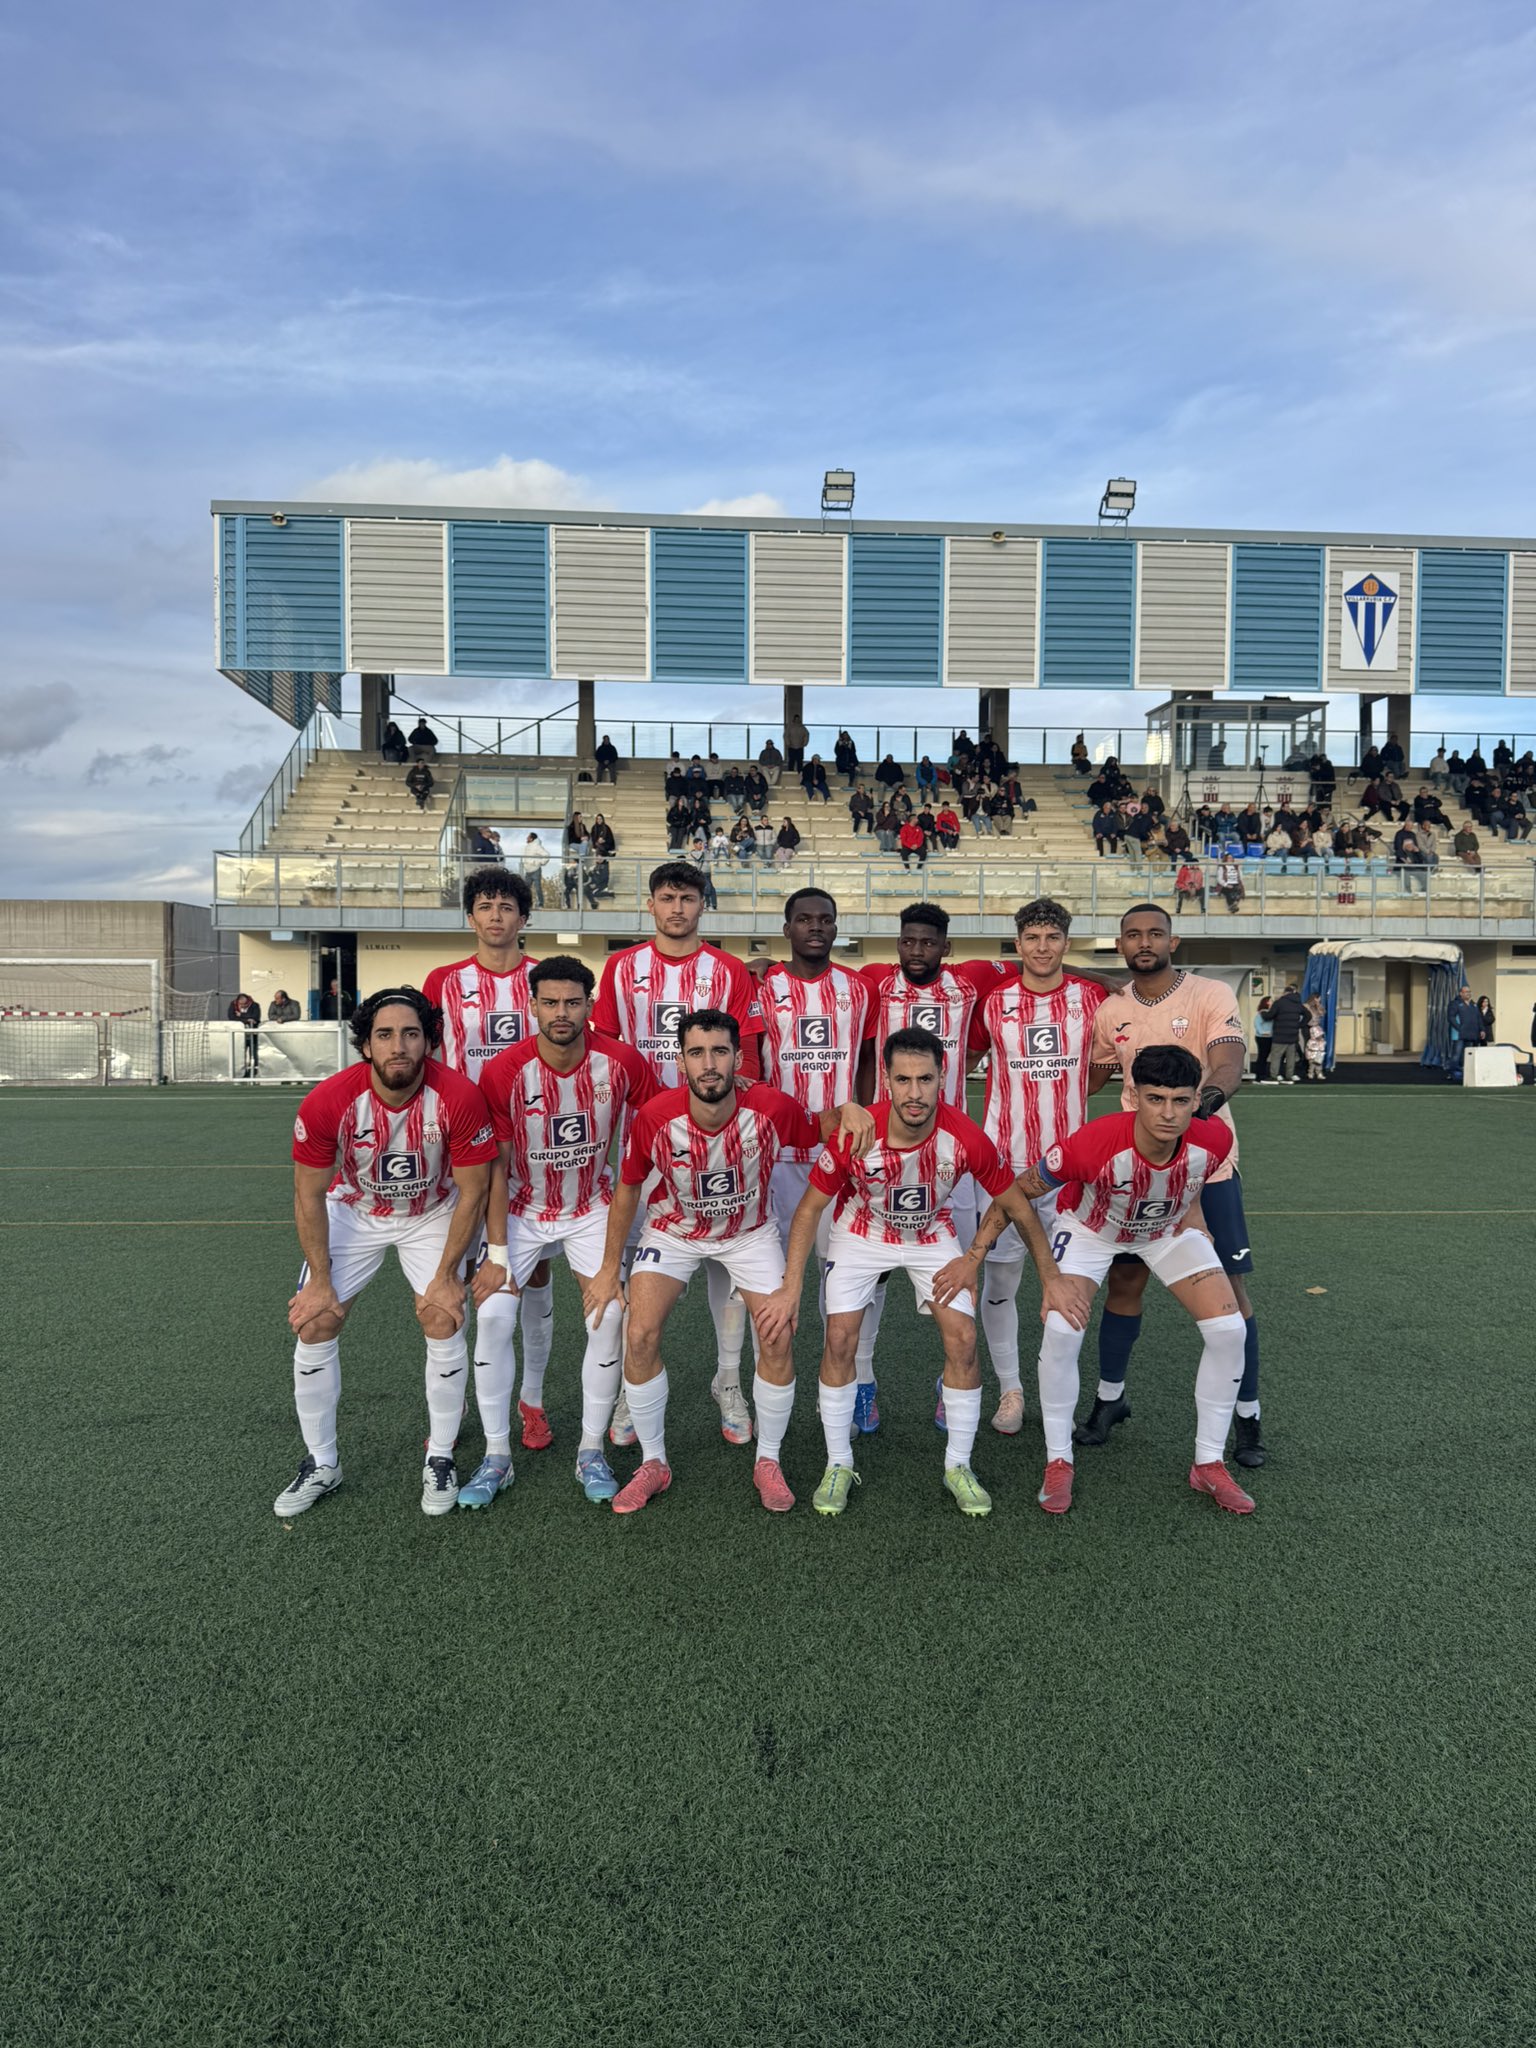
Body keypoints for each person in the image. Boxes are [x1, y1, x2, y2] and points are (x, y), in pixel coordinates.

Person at [762, 1026, 1060, 1519]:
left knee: (963, 1339)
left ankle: (958, 1466)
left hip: (930, 1235)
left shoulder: (964, 1136)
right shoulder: (857, 1134)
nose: (914, 1093)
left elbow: (1017, 1208)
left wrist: (983, 1261)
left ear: (943, 1077)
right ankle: (838, 1463)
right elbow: (811, 1209)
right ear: (887, 1079)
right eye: (903, 1080)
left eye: (925, 1079)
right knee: (840, 1338)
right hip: (861, 1234)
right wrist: (792, 1284)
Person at [583, 1008, 872, 1515]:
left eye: (719, 1051)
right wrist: (611, 1268)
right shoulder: (655, 1116)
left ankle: (768, 1460)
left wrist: (849, 1105)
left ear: (739, 1058)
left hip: (748, 1233)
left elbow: (818, 1126)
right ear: (681, 1062)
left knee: (777, 1333)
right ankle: (654, 1462)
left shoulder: (769, 1105)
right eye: (697, 1053)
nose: (709, 1064)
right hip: (673, 1232)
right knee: (639, 1332)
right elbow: (628, 1186)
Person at [956, 1044, 1253, 1516]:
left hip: (1164, 1232)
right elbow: (1014, 1194)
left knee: (1229, 1329)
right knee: (1061, 1328)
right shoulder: (1092, 1143)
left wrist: (1194, 1220)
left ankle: (1209, 1463)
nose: (1168, 1113)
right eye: (1156, 1098)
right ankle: (1058, 1459)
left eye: (1180, 1100)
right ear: (1133, 1095)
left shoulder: (1215, 1140)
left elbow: (1190, 1180)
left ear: (1197, 1100)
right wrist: (985, 1258)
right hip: (1091, 1232)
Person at [273, 988, 495, 1519]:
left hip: (433, 1212)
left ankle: (440, 1456)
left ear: (429, 1041)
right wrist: (321, 1281)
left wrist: (446, 1275)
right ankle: (322, 1462)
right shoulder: (328, 1101)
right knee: (316, 1322)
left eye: (411, 1034)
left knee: (443, 1316)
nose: (399, 1046)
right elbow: (308, 1195)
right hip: (355, 1211)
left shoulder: (459, 1097)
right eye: (386, 1035)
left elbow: (474, 1190)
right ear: (365, 1045)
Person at [468, 957, 655, 1507]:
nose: (561, 1013)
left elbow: (661, 1119)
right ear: (532, 1007)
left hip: (593, 1206)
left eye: (572, 1002)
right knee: (496, 1317)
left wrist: (608, 1264)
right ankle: (496, 1455)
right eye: (549, 1002)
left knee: (609, 1312)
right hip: (523, 1210)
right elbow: (497, 1168)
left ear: (590, 1006)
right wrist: (497, 1253)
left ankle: (590, 1450)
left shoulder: (621, 1061)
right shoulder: (503, 1071)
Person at [1083, 906, 1265, 1469]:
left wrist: (1197, 1113)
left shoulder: (1209, 994)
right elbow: (1092, 1077)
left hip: (1207, 1165)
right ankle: (1111, 1401)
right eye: (1134, 935)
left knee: (1230, 1292)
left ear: (1173, 940)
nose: (1145, 942)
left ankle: (1248, 1415)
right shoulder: (1111, 1010)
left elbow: (1228, 1063)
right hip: (1134, 1170)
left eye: (1154, 933)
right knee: (1126, 1281)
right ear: (1120, 945)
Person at [591, 860, 766, 1445]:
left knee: (730, 1264)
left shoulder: (728, 970)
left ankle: (728, 1379)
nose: (677, 908)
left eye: (688, 898)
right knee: (639, 1276)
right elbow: (608, 1054)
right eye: (667, 897)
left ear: (702, 904)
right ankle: (627, 1389)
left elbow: (750, 1056)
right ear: (651, 904)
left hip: (723, 1139)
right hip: (646, 1138)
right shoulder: (620, 968)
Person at [421, 869, 557, 1451]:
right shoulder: (443, 981)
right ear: (470, 917)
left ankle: (532, 1399)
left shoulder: (544, 979)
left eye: (507, 906)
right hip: (459, 1147)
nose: (496, 915)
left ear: (524, 918)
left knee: (532, 1276)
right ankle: (465, 1407)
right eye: (484, 906)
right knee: (457, 1278)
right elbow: (425, 1055)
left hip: (535, 1142)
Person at [970, 900, 1108, 1435]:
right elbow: (966, 1059)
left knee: (1068, 1285)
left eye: (1052, 936)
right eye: (1033, 937)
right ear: (1018, 943)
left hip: (1072, 1171)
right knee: (1001, 1282)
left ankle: (1055, 1391)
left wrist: (1066, 1102)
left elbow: (1098, 1071)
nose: (1042, 946)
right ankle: (1011, 1389)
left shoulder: (1091, 999)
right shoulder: (995, 1002)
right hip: (1005, 1168)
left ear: (1065, 944)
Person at [755, 890, 874, 1372]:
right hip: (777, 1156)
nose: (816, 927)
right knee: (769, 1277)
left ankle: (850, 1377)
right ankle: (767, 1376)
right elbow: (750, 1060)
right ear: (787, 930)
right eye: (804, 920)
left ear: (836, 927)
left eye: (825, 919)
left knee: (840, 1276)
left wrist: (862, 1112)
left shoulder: (858, 987)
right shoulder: (761, 987)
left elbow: (867, 1060)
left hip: (841, 1156)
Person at [1266, 981, 1308, 1085]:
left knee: (1276, 1056)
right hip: (1293, 1035)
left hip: (1280, 1035)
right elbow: (1308, 1015)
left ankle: (1274, 1076)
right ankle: (1289, 1076)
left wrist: (1263, 1014)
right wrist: (1299, 1025)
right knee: (1291, 1057)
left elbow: (1270, 1016)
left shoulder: (1279, 1003)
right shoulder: (1298, 1004)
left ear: (1285, 993)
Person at [1449, 984, 1484, 1080]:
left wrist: (1482, 1030)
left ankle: (1464, 1072)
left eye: (1469, 992)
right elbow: (1451, 1018)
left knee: (1466, 1055)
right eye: (1466, 992)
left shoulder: (1474, 1005)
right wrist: (1459, 1028)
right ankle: (1454, 1073)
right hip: (1459, 1035)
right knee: (1457, 1054)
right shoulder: (1455, 1004)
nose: (1468, 993)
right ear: (1461, 993)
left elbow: (1479, 1018)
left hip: (1471, 1034)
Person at [228, 992, 261, 1077]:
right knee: (240, 1054)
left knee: (253, 1053)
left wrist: (241, 1015)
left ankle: (253, 1072)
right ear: (238, 1002)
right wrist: (247, 1019)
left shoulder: (255, 1005)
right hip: (239, 1034)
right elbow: (232, 1017)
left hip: (252, 1033)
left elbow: (255, 1017)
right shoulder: (233, 1005)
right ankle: (241, 1073)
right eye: (241, 1004)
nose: (243, 1006)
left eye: (245, 1004)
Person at [518, 833, 549, 909]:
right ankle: (526, 904)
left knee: (537, 888)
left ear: (531, 839)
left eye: (528, 837)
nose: (526, 838)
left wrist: (538, 862)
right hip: (528, 871)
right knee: (526, 888)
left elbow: (546, 855)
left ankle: (540, 904)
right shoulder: (527, 847)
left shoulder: (537, 846)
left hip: (535, 870)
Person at [1303, 997, 1328, 1082]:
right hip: (1309, 1030)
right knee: (1312, 1060)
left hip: (1317, 1041)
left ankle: (1318, 1073)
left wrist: (1318, 1005)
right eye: (1317, 999)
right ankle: (1310, 1073)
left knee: (1318, 1060)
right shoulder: (1306, 1007)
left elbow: (1323, 1012)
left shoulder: (1318, 1027)